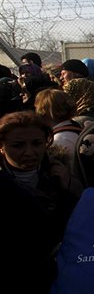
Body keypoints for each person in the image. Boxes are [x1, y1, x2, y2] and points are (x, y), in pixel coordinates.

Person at [0, 110, 81, 293]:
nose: (29, 152)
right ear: (2, 147)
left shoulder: (62, 174)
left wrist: (68, 187)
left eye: (37, 143)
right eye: (18, 145)